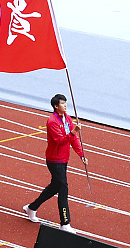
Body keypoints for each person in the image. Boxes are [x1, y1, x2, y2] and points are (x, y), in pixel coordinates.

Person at [24, 94, 87, 234]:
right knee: (63, 188)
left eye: (65, 103)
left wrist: (81, 154)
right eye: (62, 104)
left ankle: (31, 208)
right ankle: (65, 223)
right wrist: (73, 132)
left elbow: (74, 139)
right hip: (54, 160)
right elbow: (59, 141)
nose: (65, 105)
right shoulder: (52, 121)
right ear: (55, 106)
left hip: (64, 159)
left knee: (54, 187)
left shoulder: (67, 118)